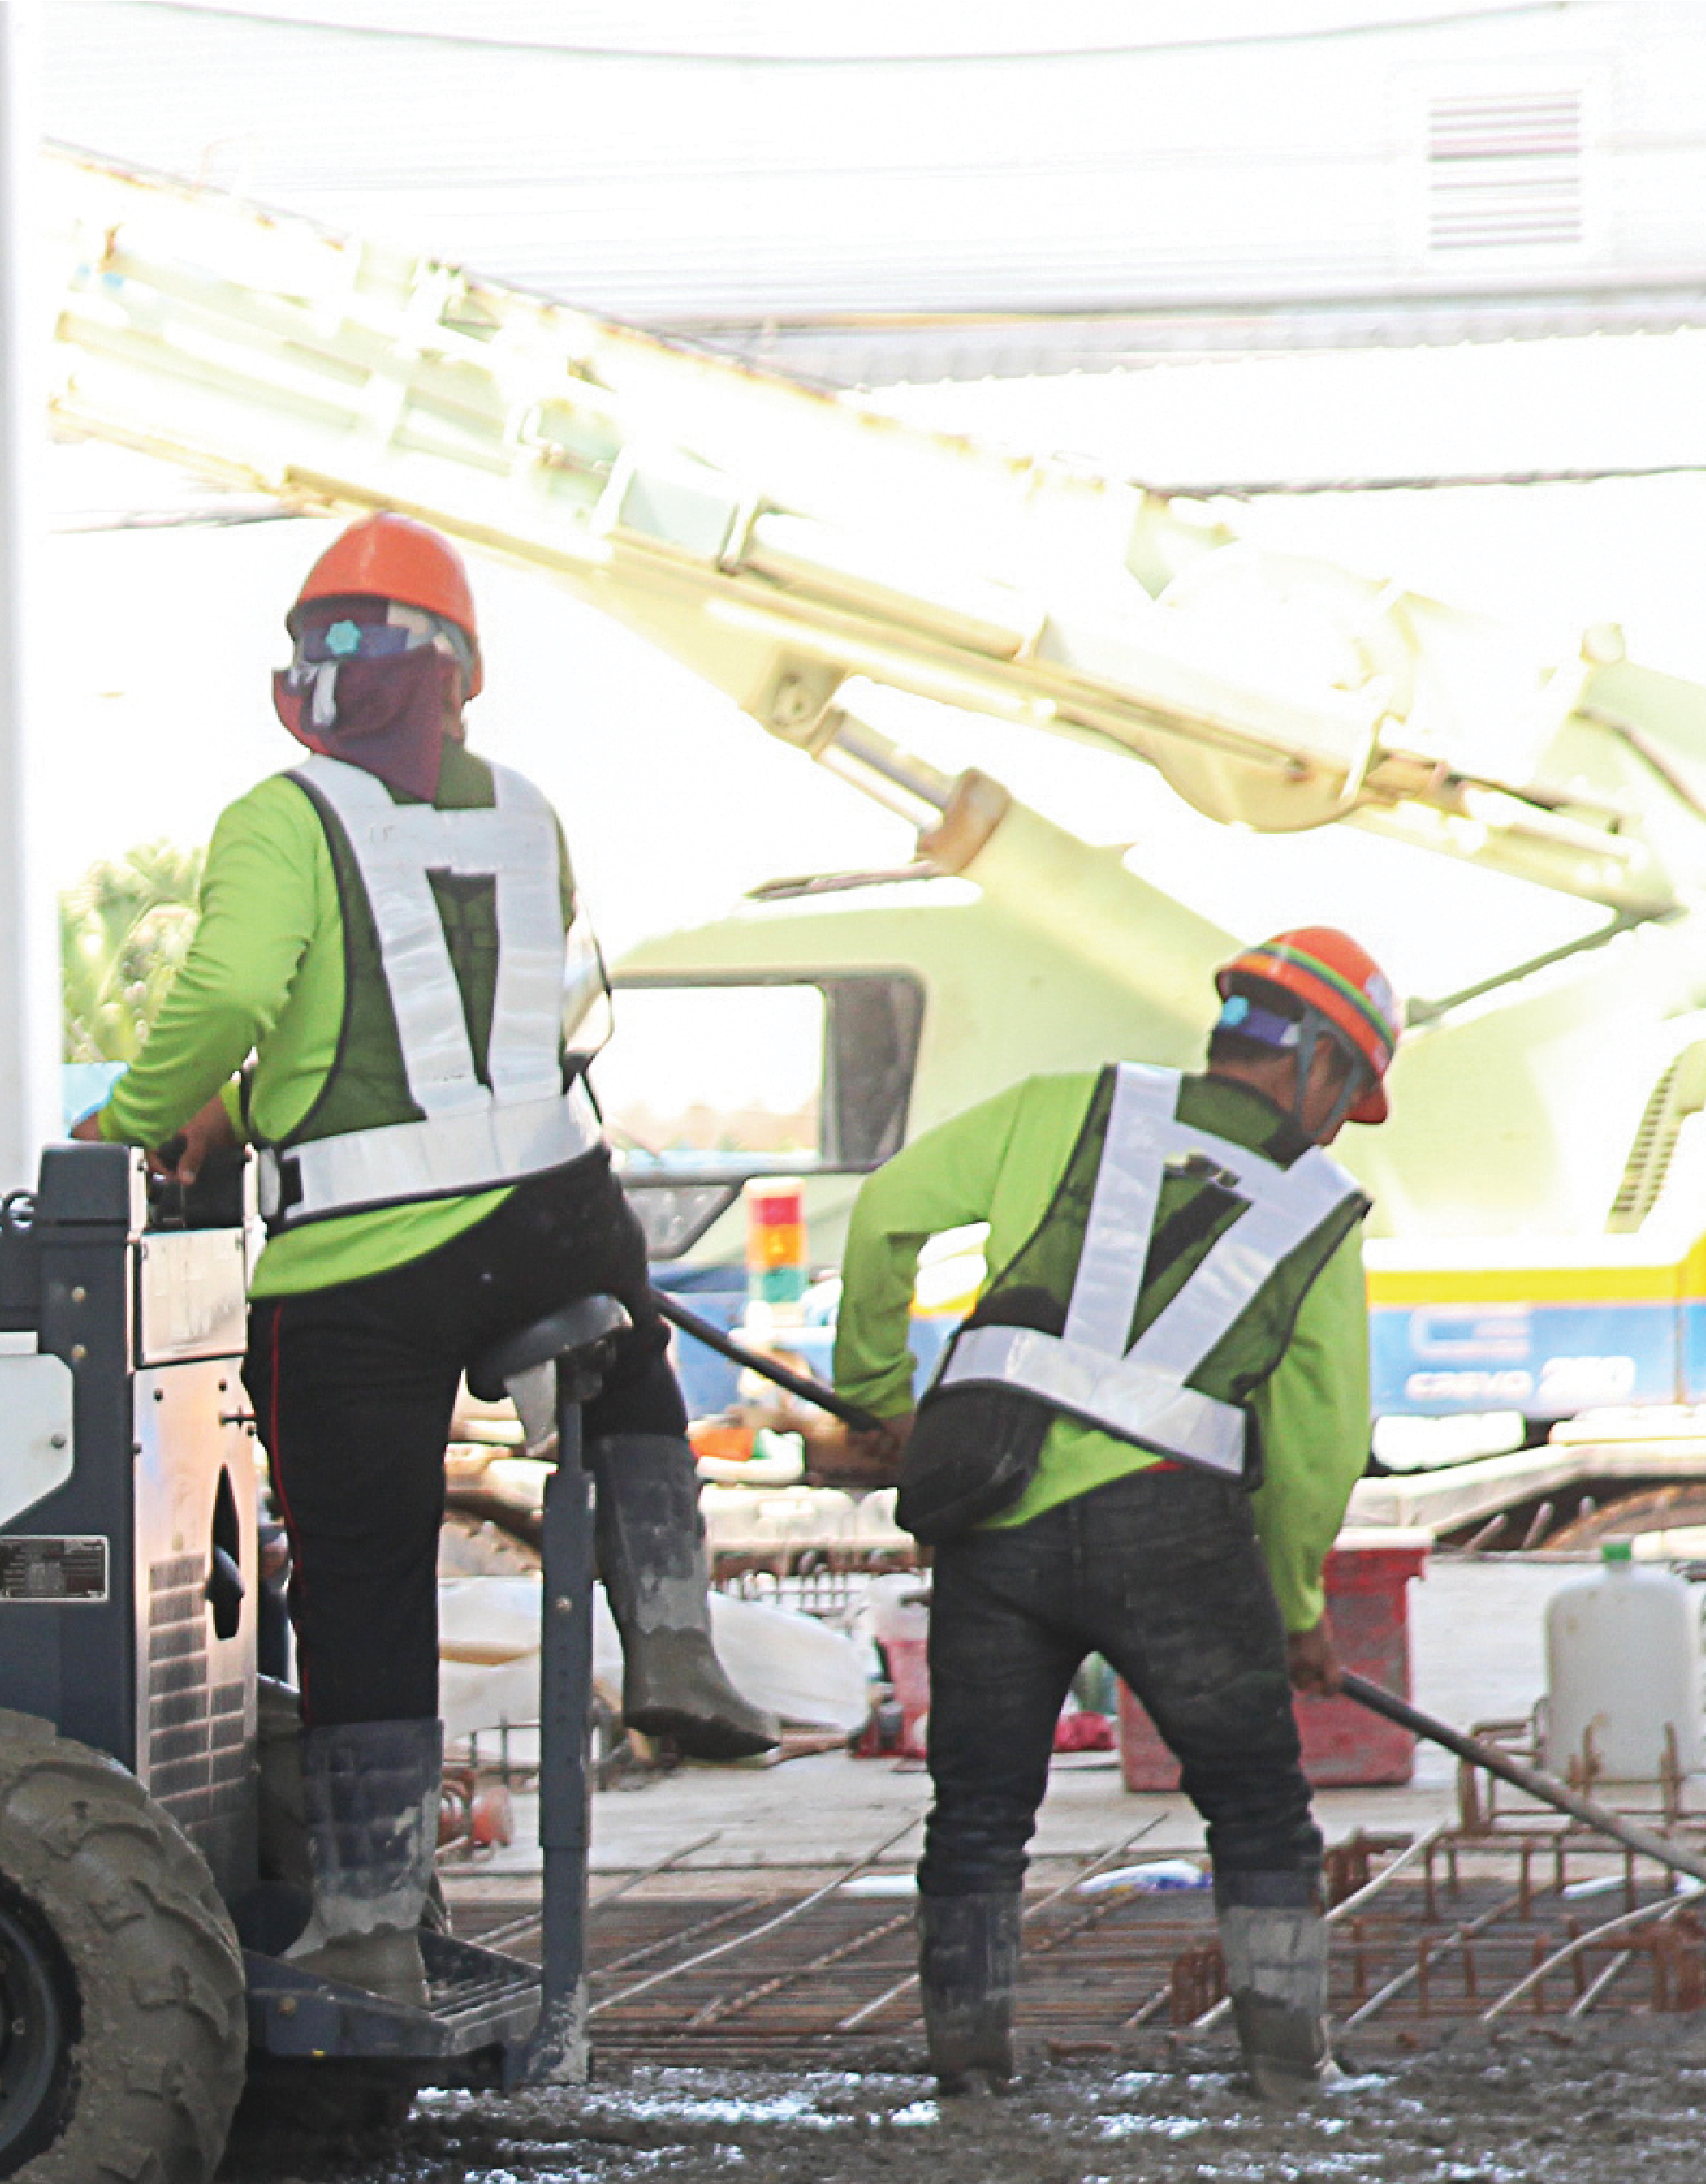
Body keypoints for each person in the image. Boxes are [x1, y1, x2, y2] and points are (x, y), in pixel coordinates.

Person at [77, 514, 774, 2010]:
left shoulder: (284, 816)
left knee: (367, 1567)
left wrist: (144, 1116)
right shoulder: (529, 814)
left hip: (365, 1268)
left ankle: (375, 1916)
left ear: (302, 685)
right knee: (632, 1353)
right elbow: (463, 1029)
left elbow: (239, 989)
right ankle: (671, 1644)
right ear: (461, 678)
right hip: (554, 1218)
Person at [825, 931, 1393, 2101]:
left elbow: (887, 1209)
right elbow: (1315, 1447)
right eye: (1353, 1093)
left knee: (978, 1812)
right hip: (1176, 1537)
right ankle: (1289, 2064)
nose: (1342, 1121)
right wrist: (1294, 1610)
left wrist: (879, 1399)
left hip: (995, 1518)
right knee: (1255, 1808)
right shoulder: (1322, 1214)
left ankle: (971, 2065)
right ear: (1322, 1066)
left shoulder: (1074, 1106)